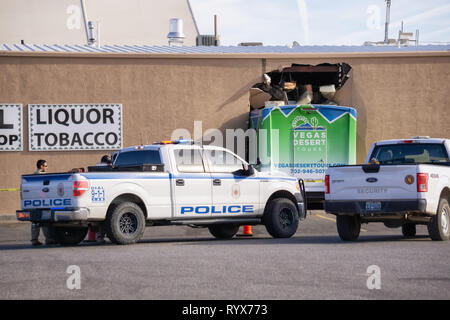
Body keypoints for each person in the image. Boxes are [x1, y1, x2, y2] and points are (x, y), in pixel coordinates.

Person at [30, 160, 57, 246]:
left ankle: (34, 240)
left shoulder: (33, 175)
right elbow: (44, 189)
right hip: (43, 201)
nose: (46, 167)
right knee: (45, 221)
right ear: (41, 166)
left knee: (35, 221)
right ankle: (48, 239)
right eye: (46, 166)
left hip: (34, 202)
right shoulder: (43, 176)